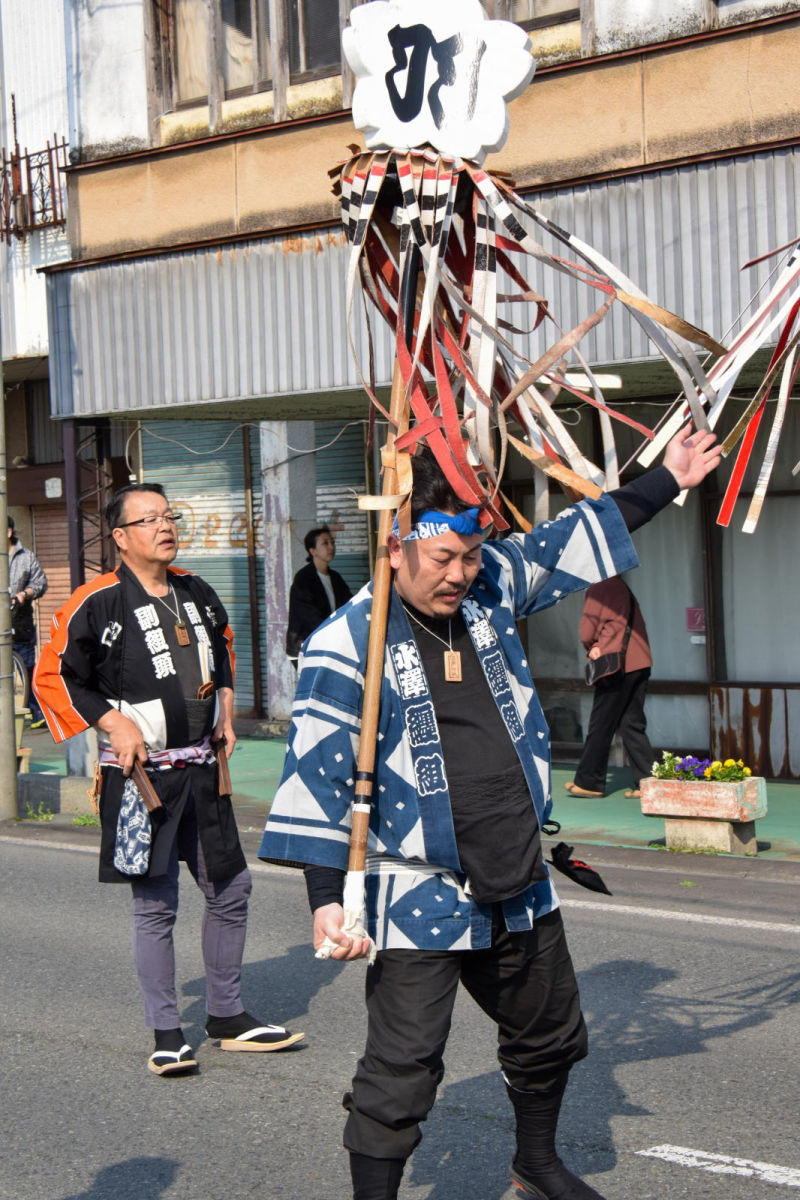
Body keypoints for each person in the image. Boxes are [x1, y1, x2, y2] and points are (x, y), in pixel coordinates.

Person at [259, 426, 721, 1200]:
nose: (461, 573)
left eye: (471, 556)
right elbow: (316, 781)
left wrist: (665, 480)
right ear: (398, 544)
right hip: (416, 891)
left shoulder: (492, 584)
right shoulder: (349, 643)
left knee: (550, 1036)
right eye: (444, 559)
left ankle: (534, 1163)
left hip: (515, 864)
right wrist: (326, 900)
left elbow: (578, 539)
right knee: (401, 1074)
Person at [33, 483, 303, 1076]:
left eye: (169, 515)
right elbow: (52, 672)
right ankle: (166, 1031)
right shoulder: (97, 601)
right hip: (141, 778)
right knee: (156, 905)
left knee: (230, 890)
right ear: (122, 538)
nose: (165, 525)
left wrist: (226, 706)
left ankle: (228, 1016)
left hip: (204, 771)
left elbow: (224, 651)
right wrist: (110, 721)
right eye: (148, 519)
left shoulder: (198, 592)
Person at [566, 578, 655, 800]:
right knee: (632, 724)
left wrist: (593, 646)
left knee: (601, 724)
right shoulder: (621, 585)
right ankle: (648, 784)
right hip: (639, 662)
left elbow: (587, 631)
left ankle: (589, 782)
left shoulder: (599, 587)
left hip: (615, 665)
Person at [286, 525, 352, 664]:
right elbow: (308, 615)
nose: (331, 547)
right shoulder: (303, 578)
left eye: (332, 542)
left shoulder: (335, 577)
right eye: (325, 543)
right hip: (305, 646)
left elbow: (349, 605)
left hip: (329, 643)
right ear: (313, 551)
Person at [8, 515, 48, 728]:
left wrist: (25, 593)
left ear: (8, 532)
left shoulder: (26, 556)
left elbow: (40, 583)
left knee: (28, 668)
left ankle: (37, 712)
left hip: (20, 620)